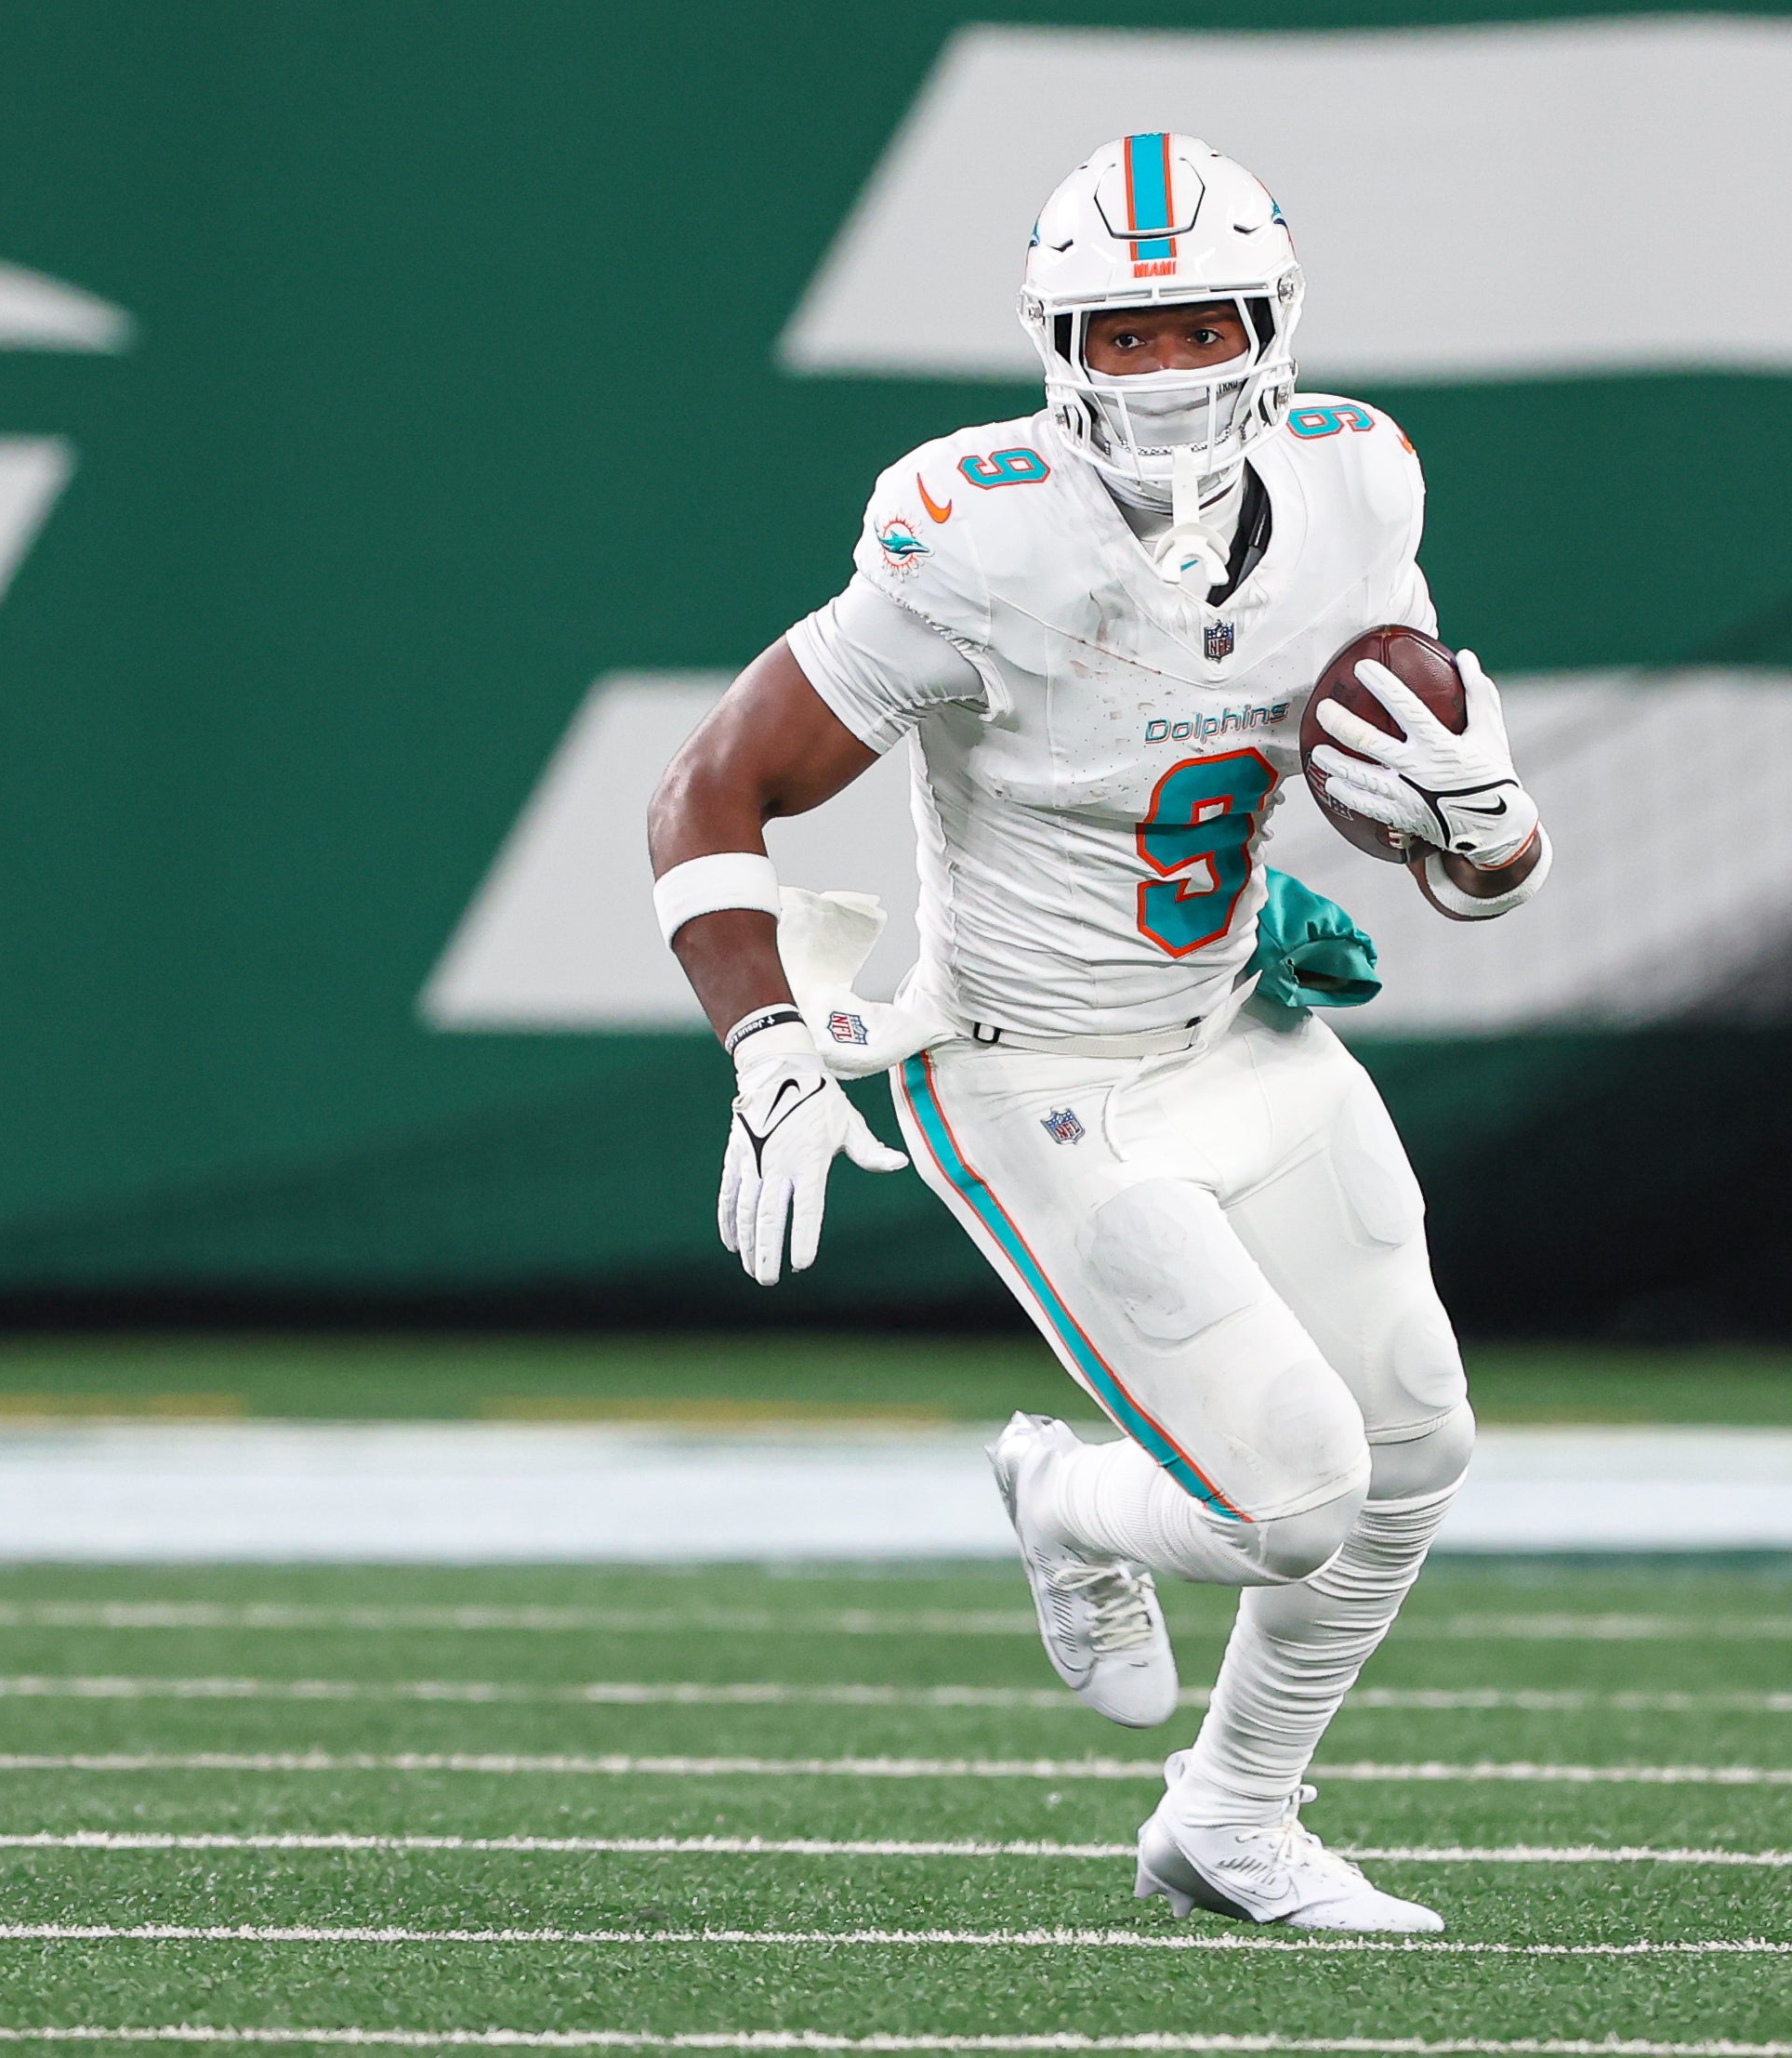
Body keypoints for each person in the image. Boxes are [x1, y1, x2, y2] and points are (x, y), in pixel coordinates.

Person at [640, 133, 1549, 1933]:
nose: (1159, 369)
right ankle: (1060, 1501)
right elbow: (711, 788)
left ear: (1267, 324)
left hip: (1241, 1034)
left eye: (1191, 323)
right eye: (1117, 338)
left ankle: (1229, 1820)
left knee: (1421, 1448)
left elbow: (1437, 831)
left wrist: (1488, 826)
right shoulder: (972, 534)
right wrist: (762, 1047)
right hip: (1035, 1078)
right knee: (1294, 1500)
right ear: (1056, 349)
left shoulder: (1361, 486)